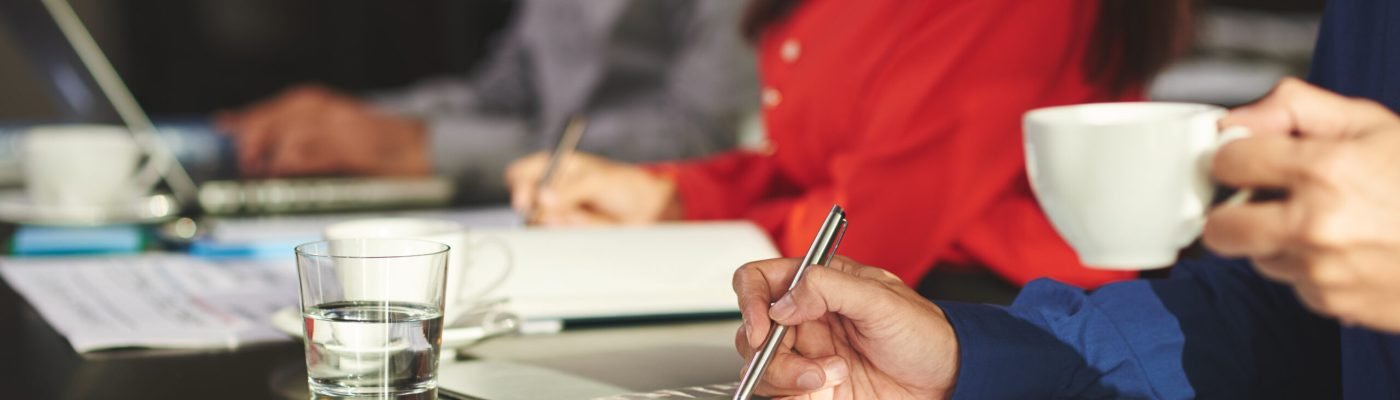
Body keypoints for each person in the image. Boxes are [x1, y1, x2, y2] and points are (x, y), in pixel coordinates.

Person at [729, 1, 1400, 392]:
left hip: (995, 276)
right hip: (1056, 316)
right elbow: (1288, 322)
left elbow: (887, 204)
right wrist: (969, 360)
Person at [507, 0, 1196, 298]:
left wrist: (685, 218)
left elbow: (873, 229)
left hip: (1006, 322)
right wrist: (670, 196)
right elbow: (812, 165)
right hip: (875, 295)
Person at [218, 0, 757, 203]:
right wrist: (356, 120)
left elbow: (703, 135)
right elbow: (500, 97)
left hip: (653, 245)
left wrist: (415, 146)